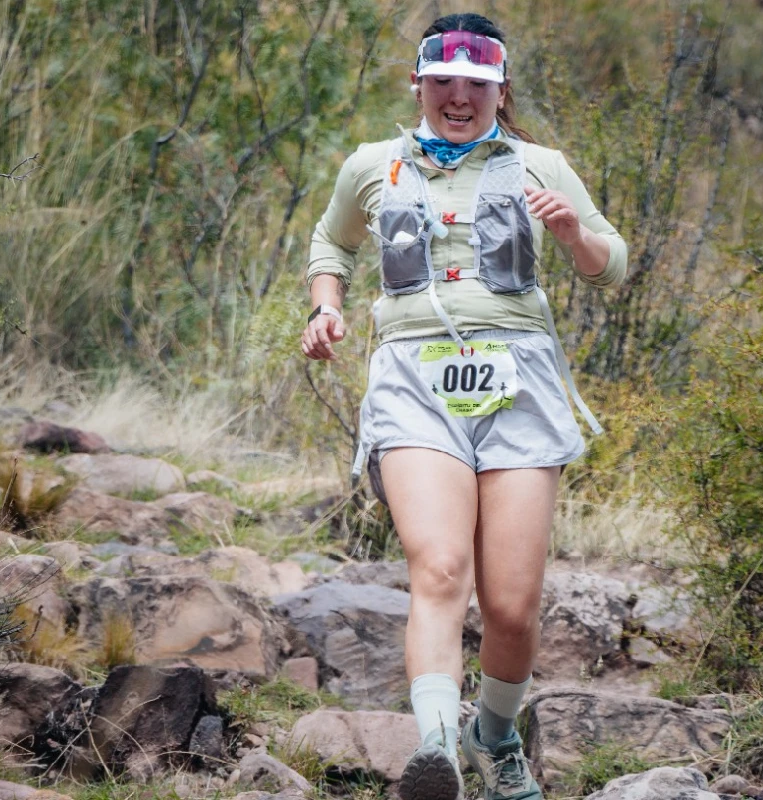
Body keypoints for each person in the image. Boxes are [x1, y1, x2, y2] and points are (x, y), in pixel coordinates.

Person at [300, 12, 627, 800]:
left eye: (474, 85)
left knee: (511, 607)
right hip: (414, 381)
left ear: (498, 89)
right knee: (440, 567)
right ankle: (437, 750)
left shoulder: (539, 164)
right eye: (441, 81)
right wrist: (324, 307)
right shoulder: (373, 165)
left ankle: (495, 735)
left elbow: (609, 264)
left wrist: (574, 232)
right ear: (417, 84)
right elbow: (331, 242)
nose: (457, 97)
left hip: (518, 381)